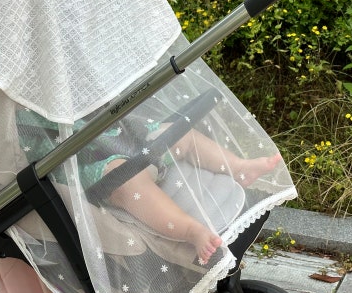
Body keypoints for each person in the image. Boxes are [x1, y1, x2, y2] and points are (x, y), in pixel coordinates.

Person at [18, 110, 283, 265]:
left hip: (132, 141)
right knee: (125, 180)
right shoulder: (28, 119)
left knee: (182, 133)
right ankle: (191, 230)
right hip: (94, 166)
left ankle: (238, 167)